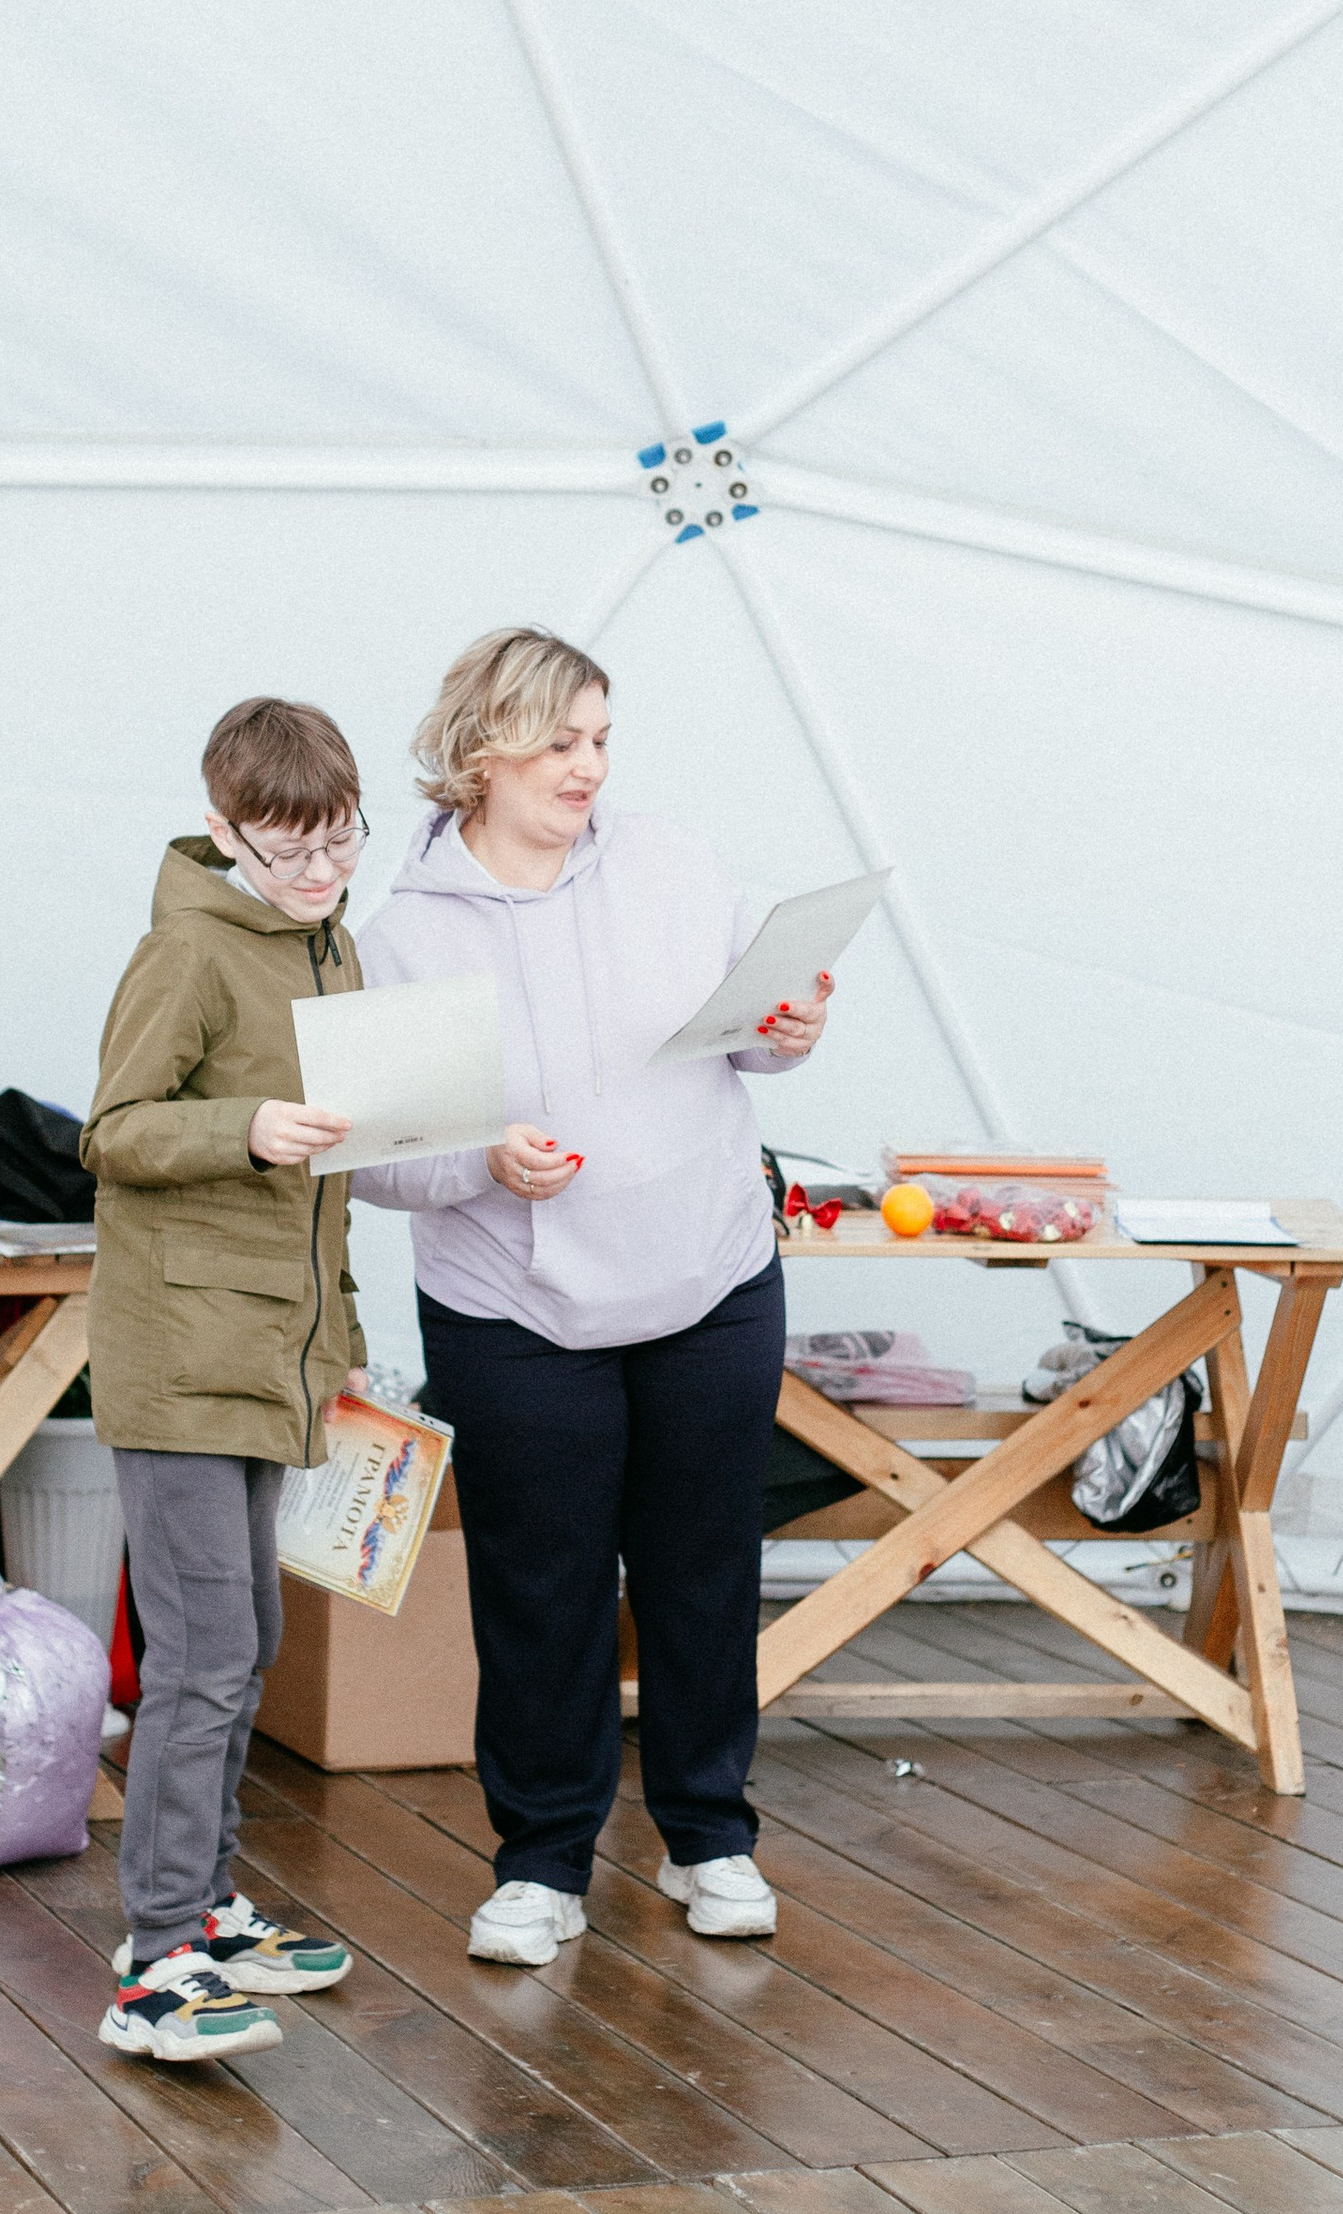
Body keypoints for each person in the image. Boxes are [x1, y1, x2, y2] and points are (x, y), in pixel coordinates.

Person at [352, 626, 830, 1966]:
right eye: (561, 741)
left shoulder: (672, 863)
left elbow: (754, 1024)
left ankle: (709, 1840)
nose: (588, 768)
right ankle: (543, 1861)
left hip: (713, 1271)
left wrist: (790, 1030)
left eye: (602, 739)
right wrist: (487, 1158)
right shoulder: (403, 935)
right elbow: (388, 1164)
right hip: (517, 1310)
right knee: (543, 1585)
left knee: (703, 1570)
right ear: (479, 751)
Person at [80, 695, 368, 2065]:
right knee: (200, 1657)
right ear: (223, 830)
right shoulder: (185, 952)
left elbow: (335, 1200)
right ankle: (156, 1958)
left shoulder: (331, 948)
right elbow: (116, 1132)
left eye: (339, 843)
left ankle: (204, 1907)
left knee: (244, 1638)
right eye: (287, 850)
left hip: (272, 1355)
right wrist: (241, 1128)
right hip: (181, 1356)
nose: (318, 874)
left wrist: (345, 1350)